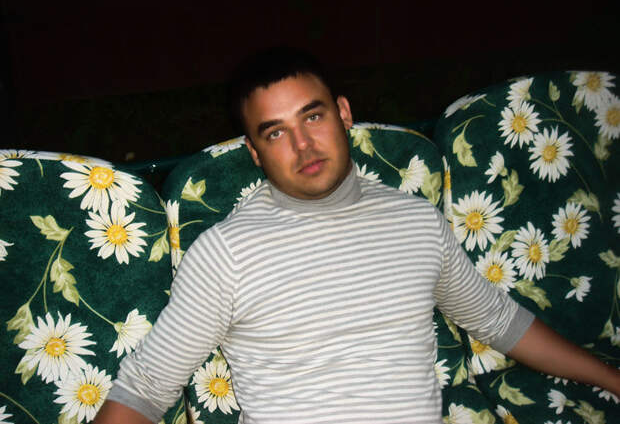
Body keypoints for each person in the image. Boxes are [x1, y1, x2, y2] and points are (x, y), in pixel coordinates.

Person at [95, 47, 620, 424]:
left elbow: (499, 321)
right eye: (275, 132)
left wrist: (612, 379)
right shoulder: (227, 253)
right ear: (254, 153)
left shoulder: (417, 223)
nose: (303, 145)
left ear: (343, 113)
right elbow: (145, 387)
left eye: (313, 116)